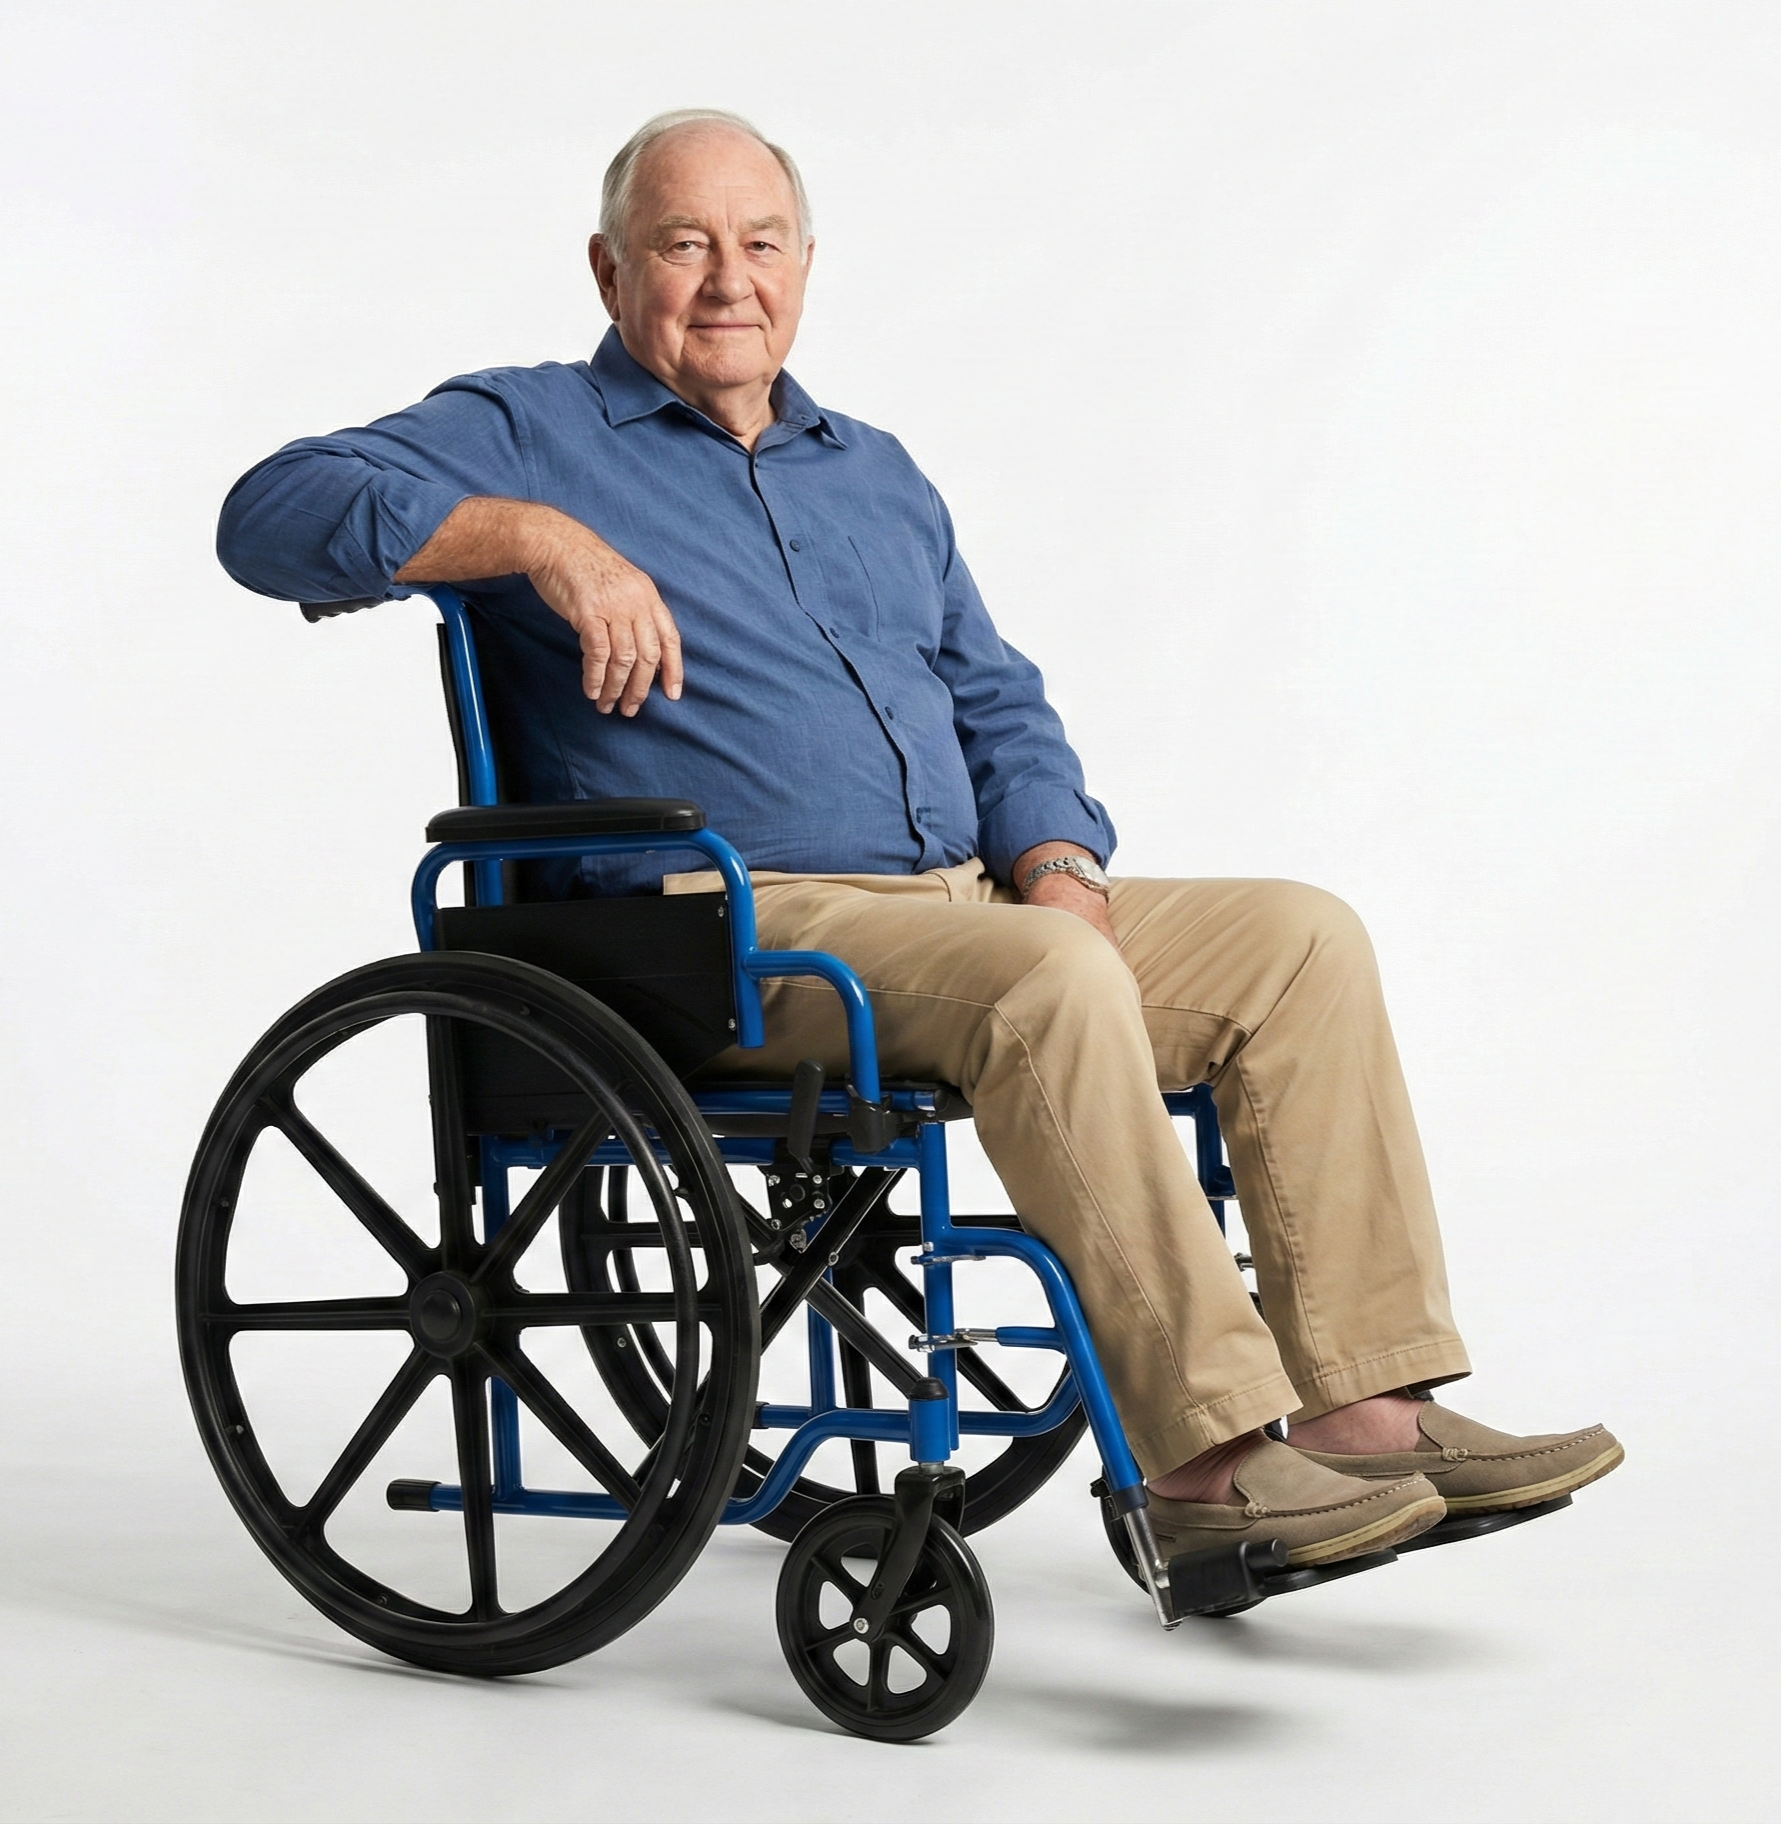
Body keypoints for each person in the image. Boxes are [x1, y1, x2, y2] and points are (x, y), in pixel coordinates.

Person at [217, 108, 1621, 1570]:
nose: (725, 279)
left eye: (759, 243)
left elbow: (999, 705)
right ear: (608, 269)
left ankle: (1365, 1417)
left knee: (1300, 939)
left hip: (964, 904)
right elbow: (267, 515)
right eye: (683, 244)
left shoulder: (872, 472)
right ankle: (1206, 1476)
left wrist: (1061, 868)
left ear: (806, 265)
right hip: (732, 930)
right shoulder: (531, 432)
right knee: (1048, 983)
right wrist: (538, 540)